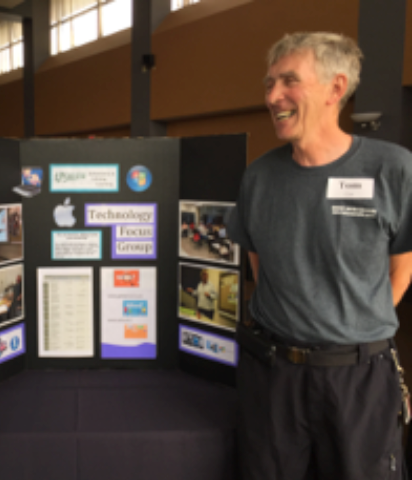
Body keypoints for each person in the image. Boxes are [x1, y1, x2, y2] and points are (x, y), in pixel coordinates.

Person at [227, 32, 412, 480]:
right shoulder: (259, 176)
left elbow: (401, 268)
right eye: (269, 83)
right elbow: (261, 267)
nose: (272, 96)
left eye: (289, 81)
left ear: (335, 88)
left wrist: (348, 328)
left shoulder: (392, 169)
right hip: (273, 378)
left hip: (359, 382)